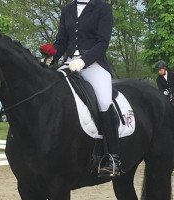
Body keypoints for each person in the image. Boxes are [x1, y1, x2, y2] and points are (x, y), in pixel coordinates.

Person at [51, 0, 121, 177]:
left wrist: (83, 61)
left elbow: (102, 43)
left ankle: (112, 157)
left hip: (93, 65)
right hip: (68, 64)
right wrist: (50, 57)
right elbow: (61, 41)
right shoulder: (67, 9)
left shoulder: (103, 8)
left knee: (104, 101)